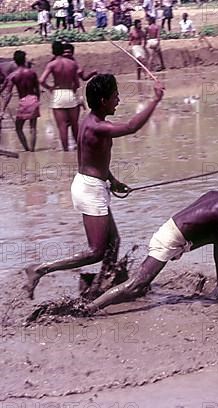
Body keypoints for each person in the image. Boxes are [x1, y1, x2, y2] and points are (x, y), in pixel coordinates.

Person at [24, 74, 165, 300]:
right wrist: (155, 99)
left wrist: (113, 180)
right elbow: (131, 127)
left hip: (93, 185)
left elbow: (95, 159)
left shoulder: (89, 122)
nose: (118, 100)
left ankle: (102, 284)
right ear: (103, 101)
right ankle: (40, 269)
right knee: (96, 251)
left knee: (114, 242)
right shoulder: (97, 126)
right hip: (90, 190)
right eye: (115, 96)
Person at [87, 168, 218, 312]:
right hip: (168, 240)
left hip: (173, 234)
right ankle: (89, 308)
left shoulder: (215, 195)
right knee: (136, 285)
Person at [39, 41, 81, 151]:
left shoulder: (52, 64)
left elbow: (42, 80)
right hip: (69, 93)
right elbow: (77, 84)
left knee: (62, 126)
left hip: (58, 93)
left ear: (53, 51)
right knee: (74, 124)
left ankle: (66, 150)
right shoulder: (72, 64)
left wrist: (50, 88)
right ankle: (79, 148)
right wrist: (73, 89)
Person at [0, 51, 40, 152]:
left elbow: (7, 93)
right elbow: (38, 89)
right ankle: (32, 150)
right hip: (33, 100)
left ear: (15, 61)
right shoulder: (32, 73)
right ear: (24, 60)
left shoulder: (13, 75)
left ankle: (26, 149)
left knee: (18, 128)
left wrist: (2, 109)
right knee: (33, 127)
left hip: (23, 101)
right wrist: (37, 101)